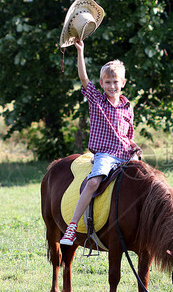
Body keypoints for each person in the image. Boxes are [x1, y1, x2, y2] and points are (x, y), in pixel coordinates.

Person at [60, 39, 142, 245]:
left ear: (123, 83)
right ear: (102, 84)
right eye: (107, 82)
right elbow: (83, 78)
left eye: (115, 82)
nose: (112, 86)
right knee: (94, 182)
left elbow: (127, 136)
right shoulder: (97, 101)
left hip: (125, 153)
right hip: (106, 155)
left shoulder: (127, 107)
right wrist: (80, 52)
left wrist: (134, 146)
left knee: (146, 180)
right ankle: (72, 227)